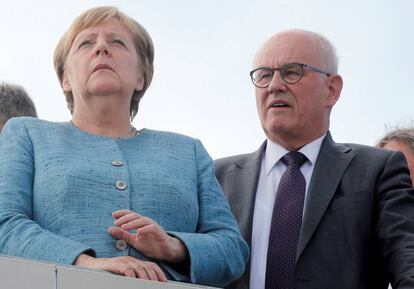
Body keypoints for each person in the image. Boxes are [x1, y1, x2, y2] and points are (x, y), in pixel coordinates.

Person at [0, 6, 248, 287]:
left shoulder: (189, 151)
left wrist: (174, 247)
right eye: (86, 43)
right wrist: (87, 263)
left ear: (141, 76)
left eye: (117, 42)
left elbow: (232, 250)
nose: (102, 48)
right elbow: (5, 225)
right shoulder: (26, 134)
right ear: (65, 79)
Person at [215, 29, 414, 289]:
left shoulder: (377, 170)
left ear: (331, 90)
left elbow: (407, 261)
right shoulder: (215, 178)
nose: (274, 86)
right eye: (264, 75)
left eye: (292, 72)